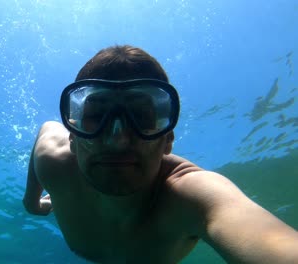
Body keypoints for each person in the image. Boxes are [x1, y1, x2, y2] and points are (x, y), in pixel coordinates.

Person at [22, 45, 298, 263]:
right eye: (96, 116)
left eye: (140, 116)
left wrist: (33, 202)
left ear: (168, 140)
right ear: (72, 136)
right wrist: (32, 202)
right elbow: (46, 130)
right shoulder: (53, 161)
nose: (118, 139)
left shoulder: (191, 197)